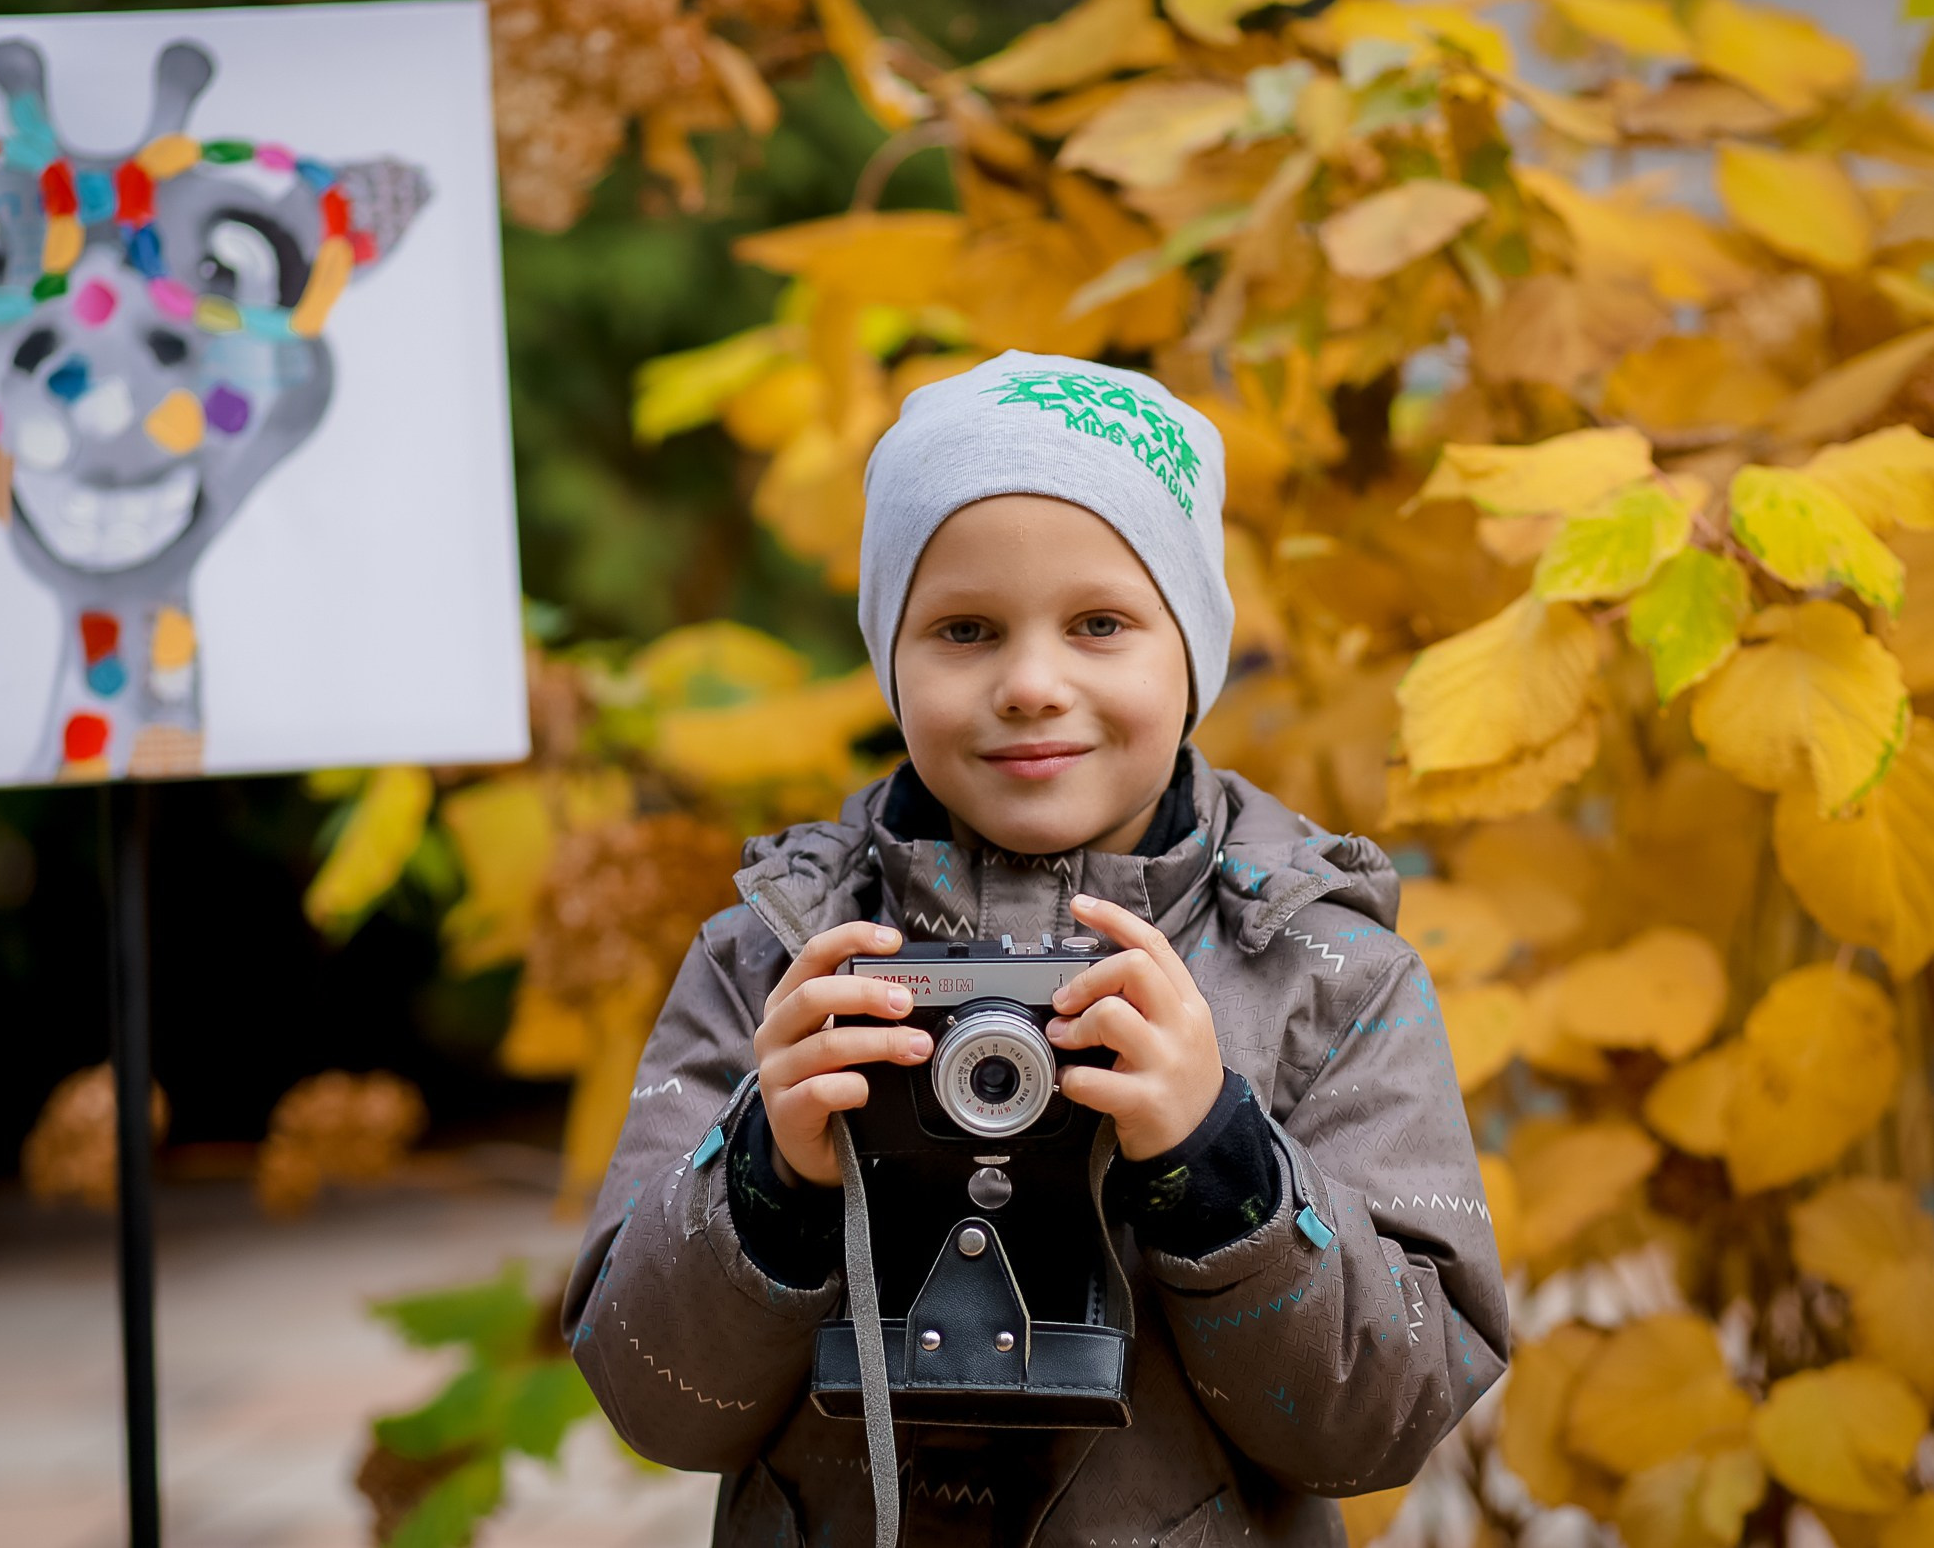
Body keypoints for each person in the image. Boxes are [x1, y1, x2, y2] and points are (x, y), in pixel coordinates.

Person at [562, 350, 1510, 1546]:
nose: (1030, 683)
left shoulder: (1323, 972)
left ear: (1192, 650)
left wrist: (1221, 1163)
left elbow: (1383, 1424)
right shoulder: (775, 962)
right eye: (964, 629)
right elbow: (655, 1401)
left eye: (1100, 624)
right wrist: (764, 1175)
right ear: (890, 659)